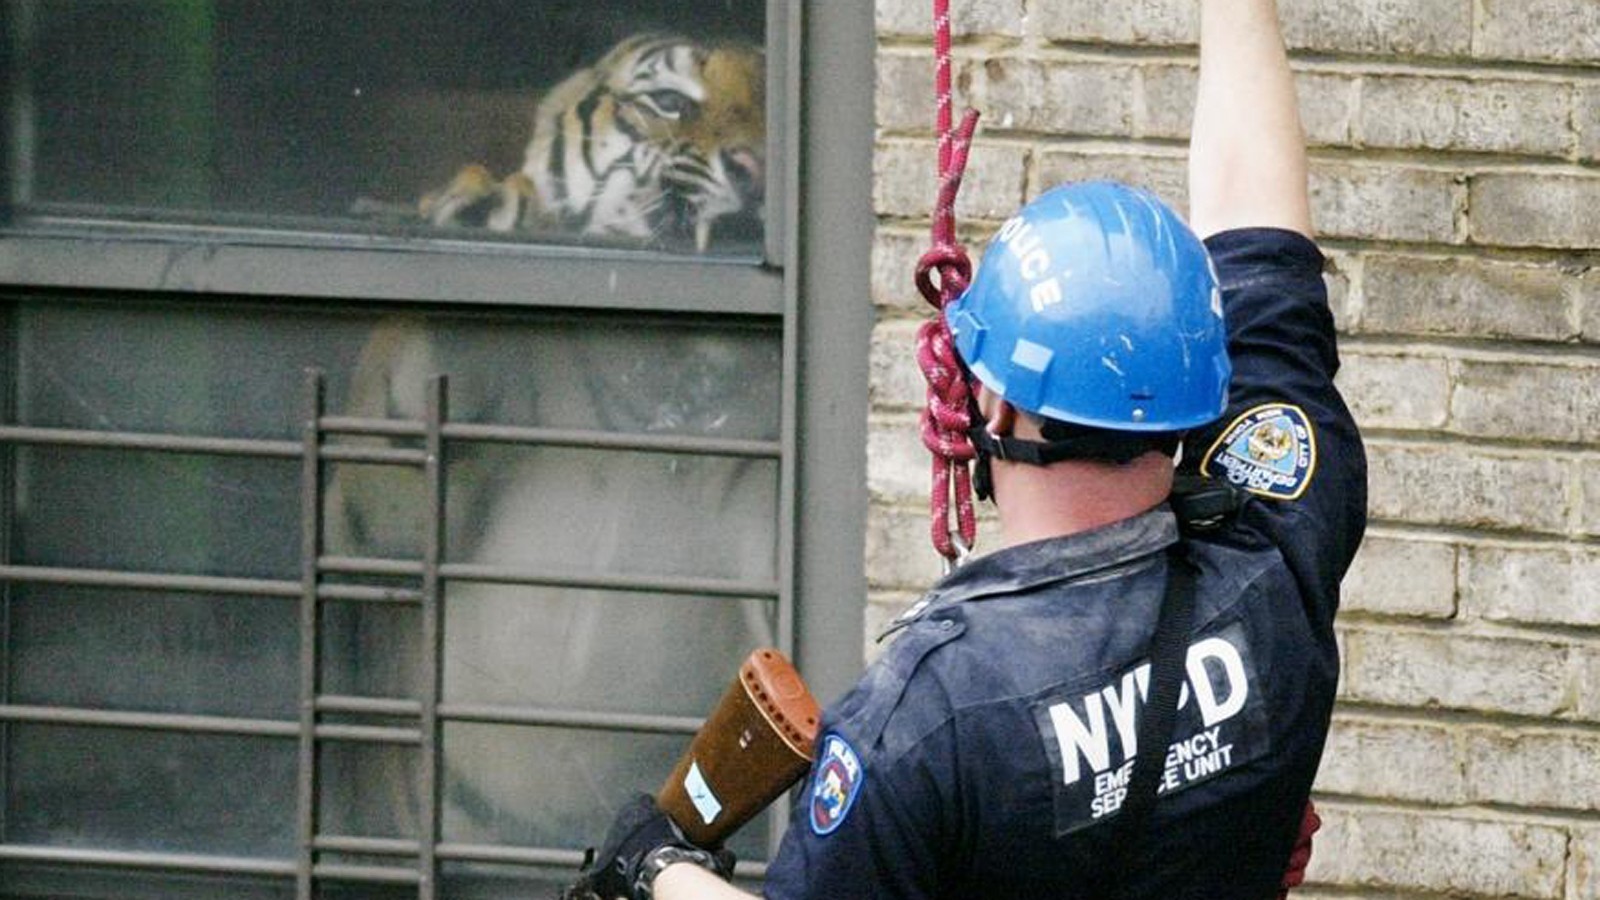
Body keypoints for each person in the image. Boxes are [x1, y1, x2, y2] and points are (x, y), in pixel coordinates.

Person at [573, 0, 1367, 896]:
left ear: (992, 401)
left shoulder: (927, 718)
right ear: (1199, 381)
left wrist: (657, 869)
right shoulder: (1277, 540)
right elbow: (1260, 226)